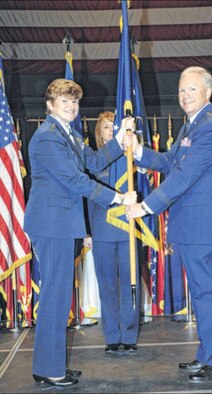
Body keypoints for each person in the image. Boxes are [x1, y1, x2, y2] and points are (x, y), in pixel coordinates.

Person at [126, 66, 212, 383]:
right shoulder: (193, 126)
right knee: (202, 294)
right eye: (182, 90)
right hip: (192, 226)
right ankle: (208, 355)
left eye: (192, 89)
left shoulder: (211, 128)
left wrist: (146, 206)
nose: (185, 96)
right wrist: (137, 152)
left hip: (203, 226)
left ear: (208, 92)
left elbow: (185, 177)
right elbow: (169, 163)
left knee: (208, 294)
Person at [24, 79, 136, 387]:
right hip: (51, 226)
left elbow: (96, 160)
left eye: (74, 102)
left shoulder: (69, 134)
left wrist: (120, 140)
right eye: (64, 102)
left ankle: (51, 364)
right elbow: (76, 181)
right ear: (50, 105)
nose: (72, 107)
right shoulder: (47, 138)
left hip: (61, 225)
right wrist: (118, 197)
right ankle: (49, 368)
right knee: (55, 298)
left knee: (59, 298)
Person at [87, 111, 140, 356]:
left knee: (130, 284)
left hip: (128, 229)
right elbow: (84, 197)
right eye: (106, 127)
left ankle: (129, 335)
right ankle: (112, 336)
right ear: (99, 132)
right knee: (107, 285)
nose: (110, 131)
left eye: (113, 127)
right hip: (101, 230)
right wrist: (86, 231)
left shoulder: (130, 158)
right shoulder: (93, 159)